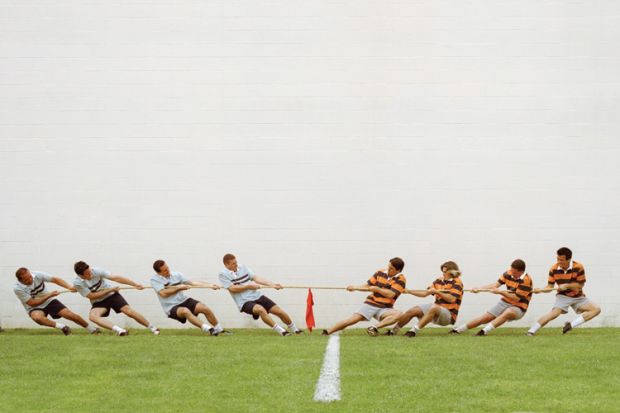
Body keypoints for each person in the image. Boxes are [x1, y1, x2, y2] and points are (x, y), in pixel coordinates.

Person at [219, 253, 301, 336]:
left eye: (236, 262)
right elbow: (232, 288)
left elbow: (255, 278)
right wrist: (248, 286)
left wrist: (272, 284)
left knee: (279, 311)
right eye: (233, 264)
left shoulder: (242, 267)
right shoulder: (223, 274)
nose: (236, 265)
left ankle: (295, 330)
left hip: (257, 296)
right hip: (244, 302)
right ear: (226, 264)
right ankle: (282, 331)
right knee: (260, 309)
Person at [321, 257, 406, 336]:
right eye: (388, 266)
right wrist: (355, 287)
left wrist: (378, 289)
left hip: (385, 308)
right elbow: (367, 286)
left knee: (399, 314)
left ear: (398, 270)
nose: (388, 269)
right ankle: (327, 332)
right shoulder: (380, 273)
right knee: (353, 320)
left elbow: (391, 294)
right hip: (371, 303)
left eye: (391, 268)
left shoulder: (401, 280)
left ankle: (374, 328)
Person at [73, 261, 159, 336]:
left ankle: (153, 328)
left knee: (128, 311)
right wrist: (109, 289)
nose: (90, 274)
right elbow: (91, 296)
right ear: (80, 275)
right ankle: (120, 330)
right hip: (98, 301)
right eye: (87, 274)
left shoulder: (96, 271)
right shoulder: (77, 283)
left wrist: (135, 284)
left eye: (90, 271)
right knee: (93, 317)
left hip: (112, 295)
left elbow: (116, 278)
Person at [527, 247, 601, 335]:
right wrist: (541, 290)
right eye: (557, 259)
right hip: (563, 296)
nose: (559, 262)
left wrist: (567, 286)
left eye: (561, 260)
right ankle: (531, 331)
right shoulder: (553, 269)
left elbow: (580, 285)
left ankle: (570, 326)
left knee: (596, 309)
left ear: (569, 259)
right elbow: (550, 286)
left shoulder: (578, 267)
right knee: (554, 314)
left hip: (578, 296)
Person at [450, 259, 533, 336]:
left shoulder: (526, 280)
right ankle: (458, 330)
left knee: (508, 312)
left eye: (514, 273)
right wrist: (479, 288)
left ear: (522, 271)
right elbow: (495, 285)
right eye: (511, 271)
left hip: (519, 307)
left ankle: (483, 331)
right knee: (486, 317)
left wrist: (501, 292)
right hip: (505, 302)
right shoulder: (508, 273)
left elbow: (516, 298)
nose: (512, 274)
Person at [13, 267, 99, 335]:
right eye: (26, 280)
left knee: (70, 315)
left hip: (49, 301)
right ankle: (63, 327)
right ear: (20, 280)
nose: (30, 280)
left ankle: (92, 330)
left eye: (30, 277)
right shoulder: (18, 288)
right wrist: (49, 295)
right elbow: (32, 303)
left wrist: (69, 287)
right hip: (34, 307)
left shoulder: (37, 275)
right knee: (37, 318)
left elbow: (55, 280)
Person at [386, 261, 463, 337]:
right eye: (442, 271)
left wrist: (437, 292)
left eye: (445, 271)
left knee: (434, 307)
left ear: (452, 272)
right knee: (413, 310)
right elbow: (425, 293)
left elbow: (452, 299)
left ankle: (413, 331)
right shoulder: (439, 280)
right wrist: (409, 291)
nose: (443, 273)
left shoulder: (457, 282)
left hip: (449, 315)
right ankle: (393, 331)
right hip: (436, 309)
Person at [151, 259, 226, 335]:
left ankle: (219, 329)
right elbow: (163, 293)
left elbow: (192, 283)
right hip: (171, 307)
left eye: (167, 268)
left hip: (184, 300)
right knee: (185, 311)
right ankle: (210, 329)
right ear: (158, 273)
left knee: (204, 308)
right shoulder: (154, 280)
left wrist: (210, 285)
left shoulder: (177, 275)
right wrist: (179, 288)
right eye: (165, 270)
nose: (168, 271)